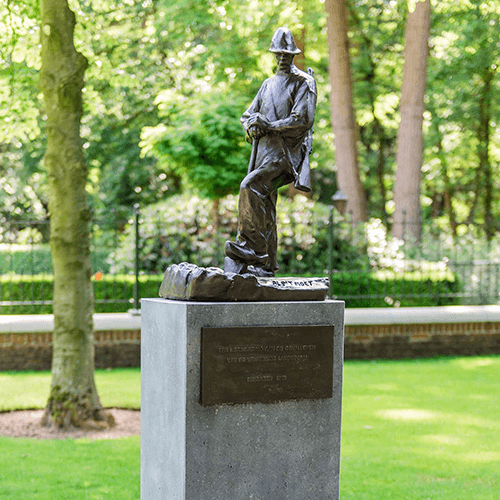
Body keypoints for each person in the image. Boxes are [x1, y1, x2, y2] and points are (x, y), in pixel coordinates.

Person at [224, 27, 317, 277]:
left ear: (294, 54)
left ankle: (251, 248)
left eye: (287, 53)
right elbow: (247, 114)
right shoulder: (267, 85)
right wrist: (252, 126)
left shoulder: (304, 83)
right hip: (264, 154)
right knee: (265, 207)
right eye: (279, 53)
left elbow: (302, 119)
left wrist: (270, 126)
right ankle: (266, 265)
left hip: (285, 157)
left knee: (249, 187)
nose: (283, 57)